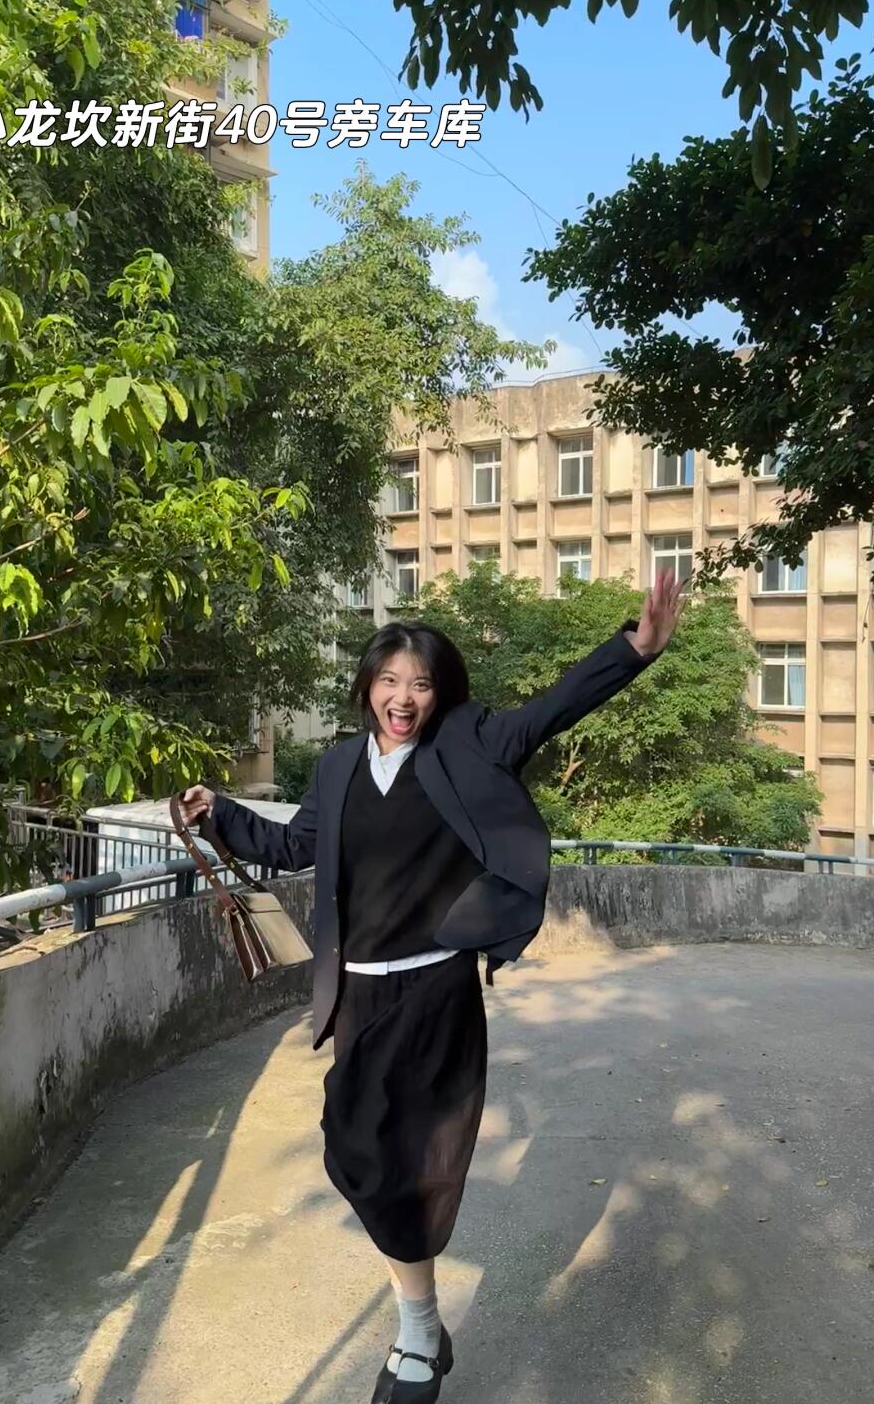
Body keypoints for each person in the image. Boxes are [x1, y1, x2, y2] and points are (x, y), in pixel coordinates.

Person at [179, 569, 684, 1403]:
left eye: (419, 684)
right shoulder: (340, 767)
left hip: (437, 991)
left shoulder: (468, 744)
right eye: (389, 681)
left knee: (422, 1166)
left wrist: (634, 650)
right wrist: (219, 812)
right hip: (358, 996)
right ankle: (423, 1317)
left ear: (440, 692)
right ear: (367, 688)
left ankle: (415, 1333)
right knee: (355, 1157)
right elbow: (297, 846)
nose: (403, 698)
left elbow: (550, 711)